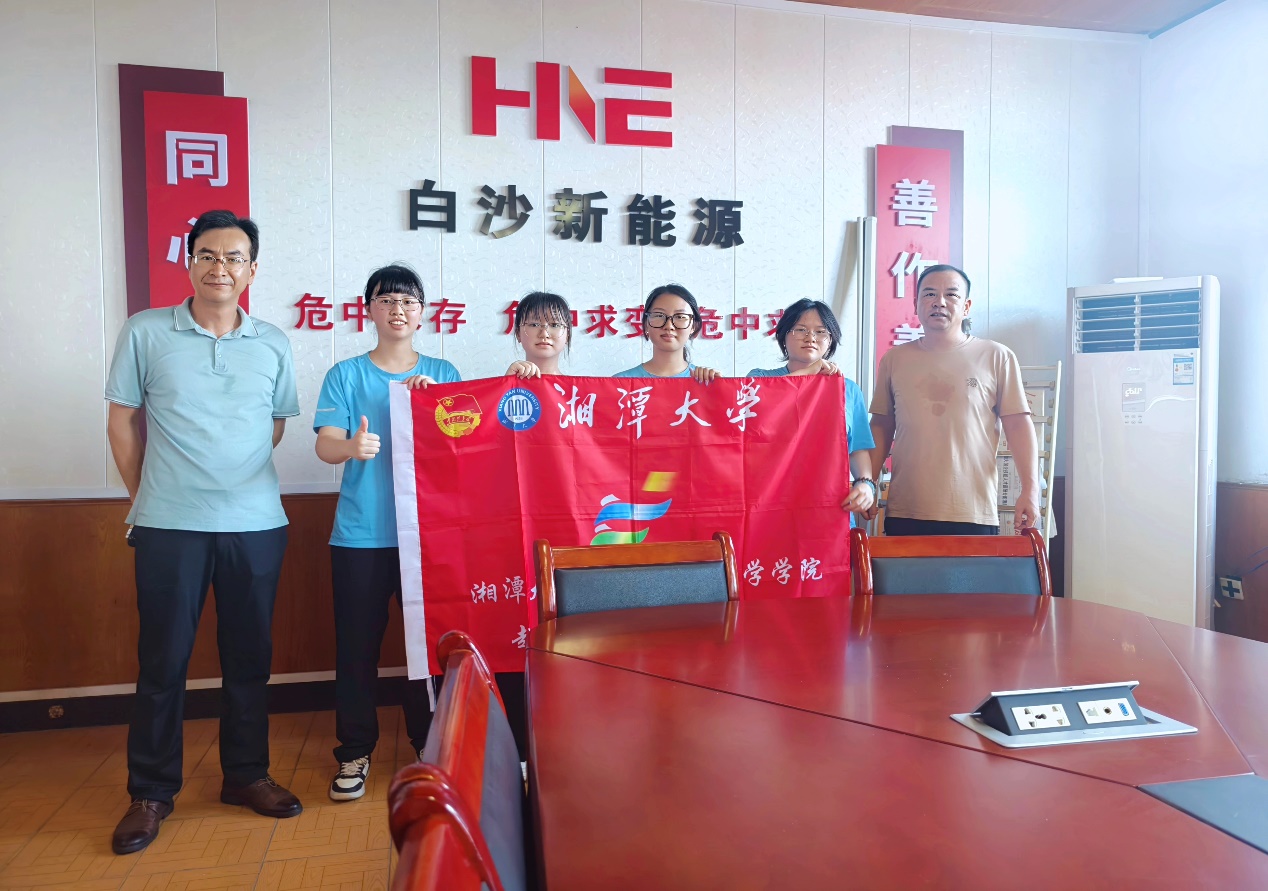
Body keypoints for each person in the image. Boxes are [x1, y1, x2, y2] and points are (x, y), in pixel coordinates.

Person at [104, 210, 302, 856]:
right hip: (169, 525)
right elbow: (121, 422)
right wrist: (146, 498)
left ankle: (245, 775)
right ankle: (151, 791)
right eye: (208, 256)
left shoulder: (272, 341)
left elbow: (275, 423)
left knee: (249, 659)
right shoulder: (146, 331)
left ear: (252, 269)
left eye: (235, 257)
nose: (222, 268)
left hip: (256, 524)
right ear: (188, 262)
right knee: (163, 661)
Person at [314, 264, 460, 801]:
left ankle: (429, 744)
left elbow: (465, 447)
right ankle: (354, 751)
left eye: (408, 301)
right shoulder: (346, 374)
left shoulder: (444, 372)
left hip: (427, 536)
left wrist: (435, 406)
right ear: (369, 309)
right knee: (357, 649)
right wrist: (351, 448)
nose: (398, 309)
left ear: (422, 314)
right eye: (387, 299)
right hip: (361, 535)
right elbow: (325, 444)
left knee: (427, 648)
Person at [867, 264, 1039, 535]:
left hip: (972, 510)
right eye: (929, 294)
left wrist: (1030, 490)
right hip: (906, 508)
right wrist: (868, 482)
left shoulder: (996, 356)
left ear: (966, 306)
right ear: (915, 304)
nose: (939, 302)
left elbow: (1018, 426)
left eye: (951, 294)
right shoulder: (894, 360)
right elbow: (881, 426)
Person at [747, 299, 876, 524]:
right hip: (769, 504)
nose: (811, 337)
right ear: (784, 336)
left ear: (831, 340)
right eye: (800, 330)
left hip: (829, 505)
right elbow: (765, 405)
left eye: (821, 331)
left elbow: (857, 449)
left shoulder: (848, 389)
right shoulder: (759, 379)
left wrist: (865, 484)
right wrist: (809, 373)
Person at [614, 284, 719, 382]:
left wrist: (720, 387)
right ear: (646, 323)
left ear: (693, 326)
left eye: (680, 317)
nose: (669, 326)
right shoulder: (620, 382)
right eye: (659, 315)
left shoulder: (706, 381)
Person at [505, 291, 572, 378]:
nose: (544, 334)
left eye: (555, 325)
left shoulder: (577, 386)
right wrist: (506, 383)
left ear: (567, 335)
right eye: (534, 325)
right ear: (518, 333)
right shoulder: (504, 384)